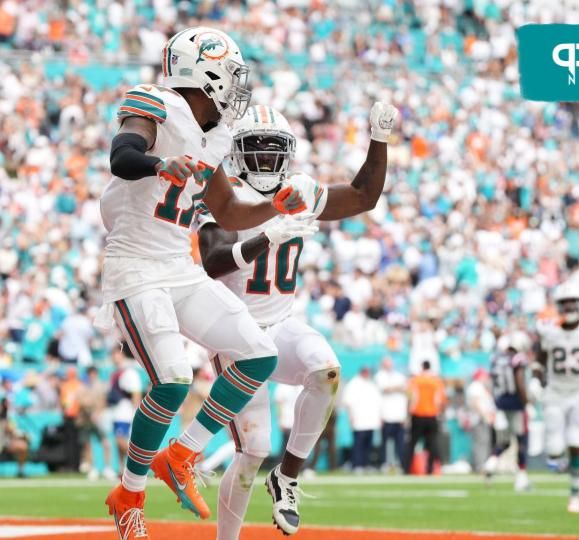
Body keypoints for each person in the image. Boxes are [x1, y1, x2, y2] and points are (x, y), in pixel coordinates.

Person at [101, 27, 308, 539]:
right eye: (231, 74)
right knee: (172, 379)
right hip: (135, 266)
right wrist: (158, 163)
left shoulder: (217, 133)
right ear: (203, 71)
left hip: (178, 264)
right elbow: (122, 154)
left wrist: (272, 207)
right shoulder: (159, 104)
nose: (238, 86)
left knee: (258, 353)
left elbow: (228, 209)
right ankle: (129, 494)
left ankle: (183, 453)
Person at [194, 102, 398, 536]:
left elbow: (365, 196)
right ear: (236, 152)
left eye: (274, 150)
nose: (267, 159)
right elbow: (212, 261)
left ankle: (286, 477)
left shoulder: (298, 190)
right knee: (251, 452)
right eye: (257, 149)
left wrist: (378, 140)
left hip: (281, 323)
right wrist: (267, 235)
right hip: (237, 332)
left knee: (326, 371)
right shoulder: (224, 193)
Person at [532, 282, 579, 514]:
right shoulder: (549, 332)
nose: (568, 306)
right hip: (555, 392)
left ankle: (575, 495)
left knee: (576, 442)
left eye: (571, 302)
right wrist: (536, 379)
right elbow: (538, 361)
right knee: (554, 449)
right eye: (564, 303)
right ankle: (563, 464)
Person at [485, 332, 533, 492]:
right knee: (522, 440)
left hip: (500, 402)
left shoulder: (496, 359)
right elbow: (519, 381)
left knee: (505, 440)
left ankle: (491, 462)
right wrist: (526, 402)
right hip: (515, 402)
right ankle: (521, 477)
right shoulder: (517, 359)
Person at [108, 347, 143, 475]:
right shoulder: (117, 371)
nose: (113, 357)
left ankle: (141, 463)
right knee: (118, 443)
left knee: (121, 439)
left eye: (116, 353)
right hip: (117, 410)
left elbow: (136, 393)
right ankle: (122, 469)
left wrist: (135, 412)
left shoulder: (129, 372)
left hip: (125, 411)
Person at [77, 366, 116, 481]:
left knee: (105, 443)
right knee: (88, 445)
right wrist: (89, 408)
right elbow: (81, 401)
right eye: (90, 373)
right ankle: (93, 468)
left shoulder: (101, 386)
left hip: (99, 418)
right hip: (86, 419)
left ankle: (107, 468)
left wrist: (97, 413)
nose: (92, 375)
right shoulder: (83, 386)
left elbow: (104, 401)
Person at [408, 361, 447, 475]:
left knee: (412, 443)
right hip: (432, 415)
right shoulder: (436, 381)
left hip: (417, 414)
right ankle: (431, 468)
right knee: (432, 443)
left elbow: (411, 397)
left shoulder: (416, 380)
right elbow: (440, 400)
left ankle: (407, 467)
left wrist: (408, 413)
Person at [342, 367, 382, 474]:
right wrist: (351, 416)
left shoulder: (371, 385)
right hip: (359, 419)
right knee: (358, 444)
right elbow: (348, 402)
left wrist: (379, 417)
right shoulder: (353, 384)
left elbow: (377, 402)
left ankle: (365, 463)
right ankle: (357, 464)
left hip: (370, 419)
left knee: (368, 444)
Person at [375, 357, 409, 473]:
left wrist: (406, 416)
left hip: (399, 416)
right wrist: (398, 387)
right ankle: (385, 463)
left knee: (400, 442)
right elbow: (385, 389)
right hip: (386, 415)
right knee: (386, 442)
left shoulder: (399, 376)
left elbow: (405, 393)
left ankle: (400, 464)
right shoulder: (380, 376)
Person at [464, 369, 495, 474]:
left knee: (483, 442)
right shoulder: (476, 386)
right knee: (481, 443)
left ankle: (481, 465)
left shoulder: (479, 387)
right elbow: (475, 402)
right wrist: (485, 415)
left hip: (481, 419)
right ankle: (480, 466)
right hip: (479, 419)